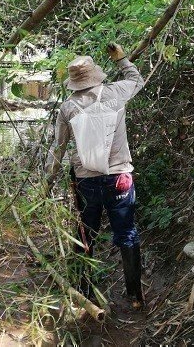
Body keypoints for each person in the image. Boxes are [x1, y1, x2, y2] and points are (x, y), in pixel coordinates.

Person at [44, 43, 145, 309]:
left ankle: (84, 293)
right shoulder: (115, 93)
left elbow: (59, 148)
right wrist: (121, 59)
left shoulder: (67, 108)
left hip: (85, 181)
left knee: (85, 234)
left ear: (74, 82)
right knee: (127, 232)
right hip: (119, 178)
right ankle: (135, 296)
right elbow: (136, 79)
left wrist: (48, 180)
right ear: (95, 75)